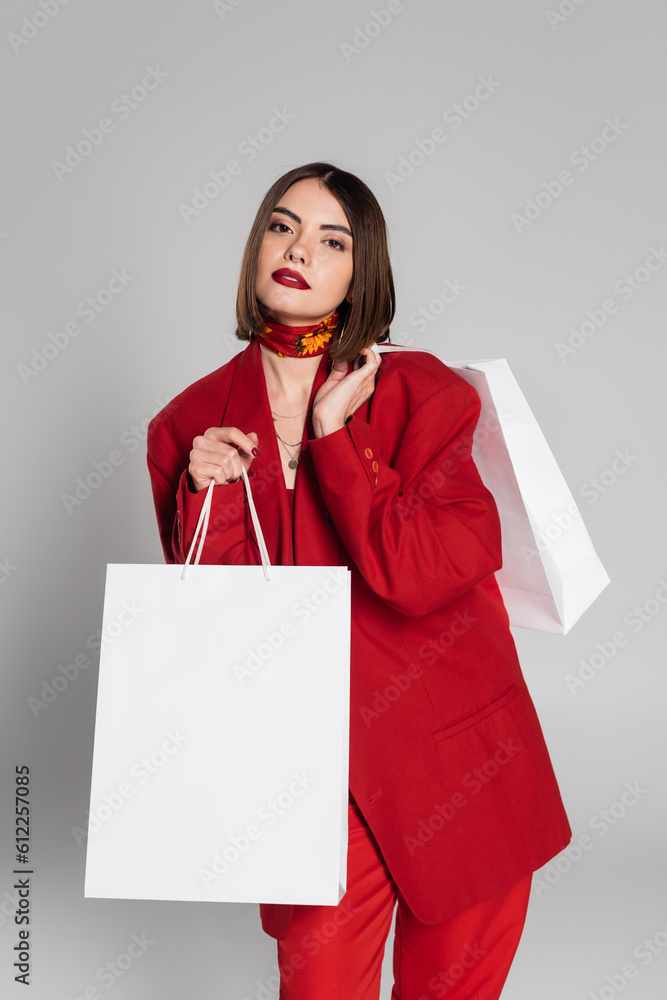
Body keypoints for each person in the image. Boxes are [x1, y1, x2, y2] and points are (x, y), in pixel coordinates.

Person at [147, 161, 571, 999]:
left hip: (454, 766)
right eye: (281, 226)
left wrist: (337, 443)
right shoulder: (187, 422)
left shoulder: (427, 395)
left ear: (360, 270)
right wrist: (206, 496)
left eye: (329, 239)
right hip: (305, 778)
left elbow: (417, 575)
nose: (297, 248)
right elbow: (213, 623)